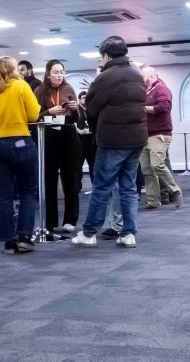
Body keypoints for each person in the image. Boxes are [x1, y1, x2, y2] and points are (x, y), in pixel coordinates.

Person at [71, 36, 147, 248]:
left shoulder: (105, 77)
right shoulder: (137, 73)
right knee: (129, 187)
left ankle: (88, 233)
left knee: (102, 187)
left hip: (112, 140)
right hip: (136, 139)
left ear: (105, 55)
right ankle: (128, 233)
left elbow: (91, 109)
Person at [0, 56, 41, 254]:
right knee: (27, 193)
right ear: (14, 69)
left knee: (4, 195)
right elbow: (33, 115)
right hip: (21, 142)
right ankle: (24, 237)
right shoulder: (21, 86)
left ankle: (8, 241)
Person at [37, 60, 83, 234]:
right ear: (48, 74)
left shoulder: (69, 89)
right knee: (49, 179)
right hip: (48, 135)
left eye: (62, 72)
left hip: (68, 134)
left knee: (71, 178)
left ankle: (71, 219)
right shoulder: (40, 91)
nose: (59, 75)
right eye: (55, 72)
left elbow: (76, 118)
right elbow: (34, 116)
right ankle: (49, 220)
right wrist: (49, 112)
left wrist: (75, 108)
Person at [139, 66, 181, 210]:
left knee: (156, 165)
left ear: (150, 77)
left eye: (142, 78)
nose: (140, 80)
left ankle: (175, 190)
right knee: (147, 170)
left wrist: (145, 108)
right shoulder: (146, 91)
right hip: (146, 135)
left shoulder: (161, 89)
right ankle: (153, 201)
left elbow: (164, 107)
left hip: (160, 134)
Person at [76, 91, 96, 192]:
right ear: (79, 99)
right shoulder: (76, 110)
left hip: (91, 140)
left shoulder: (91, 109)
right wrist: (79, 131)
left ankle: (95, 187)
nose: (85, 99)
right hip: (80, 140)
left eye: (86, 97)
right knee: (78, 165)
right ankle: (77, 187)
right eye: (83, 97)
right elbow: (71, 123)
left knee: (93, 165)